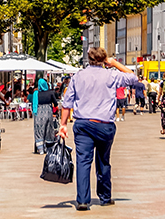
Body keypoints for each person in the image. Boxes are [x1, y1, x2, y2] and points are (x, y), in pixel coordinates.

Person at [57, 47, 142, 211]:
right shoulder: (111, 75)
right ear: (104, 60)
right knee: (103, 160)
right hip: (104, 125)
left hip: (83, 124)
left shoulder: (78, 76)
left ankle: (82, 200)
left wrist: (63, 125)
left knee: (83, 161)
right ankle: (105, 196)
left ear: (88, 59)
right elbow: (134, 78)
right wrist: (114, 63)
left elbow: (67, 103)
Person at [32, 72, 54, 154]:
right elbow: (55, 103)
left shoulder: (36, 93)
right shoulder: (50, 93)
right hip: (48, 112)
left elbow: (34, 104)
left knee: (39, 130)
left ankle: (40, 149)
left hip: (39, 113)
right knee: (48, 130)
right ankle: (48, 148)